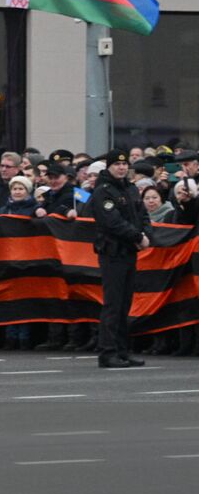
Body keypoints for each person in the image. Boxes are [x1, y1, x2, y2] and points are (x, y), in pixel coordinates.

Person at [92, 150, 151, 369]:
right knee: (113, 304)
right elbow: (112, 222)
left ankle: (122, 350)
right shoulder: (103, 191)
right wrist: (138, 237)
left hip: (129, 252)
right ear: (108, 166)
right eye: (117, 164)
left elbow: (142, 215)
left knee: (125, 304)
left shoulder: (131, 188)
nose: (121, 168)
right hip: (113, 253)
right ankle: (108, 352)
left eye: (124, 164)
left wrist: (146, 234)